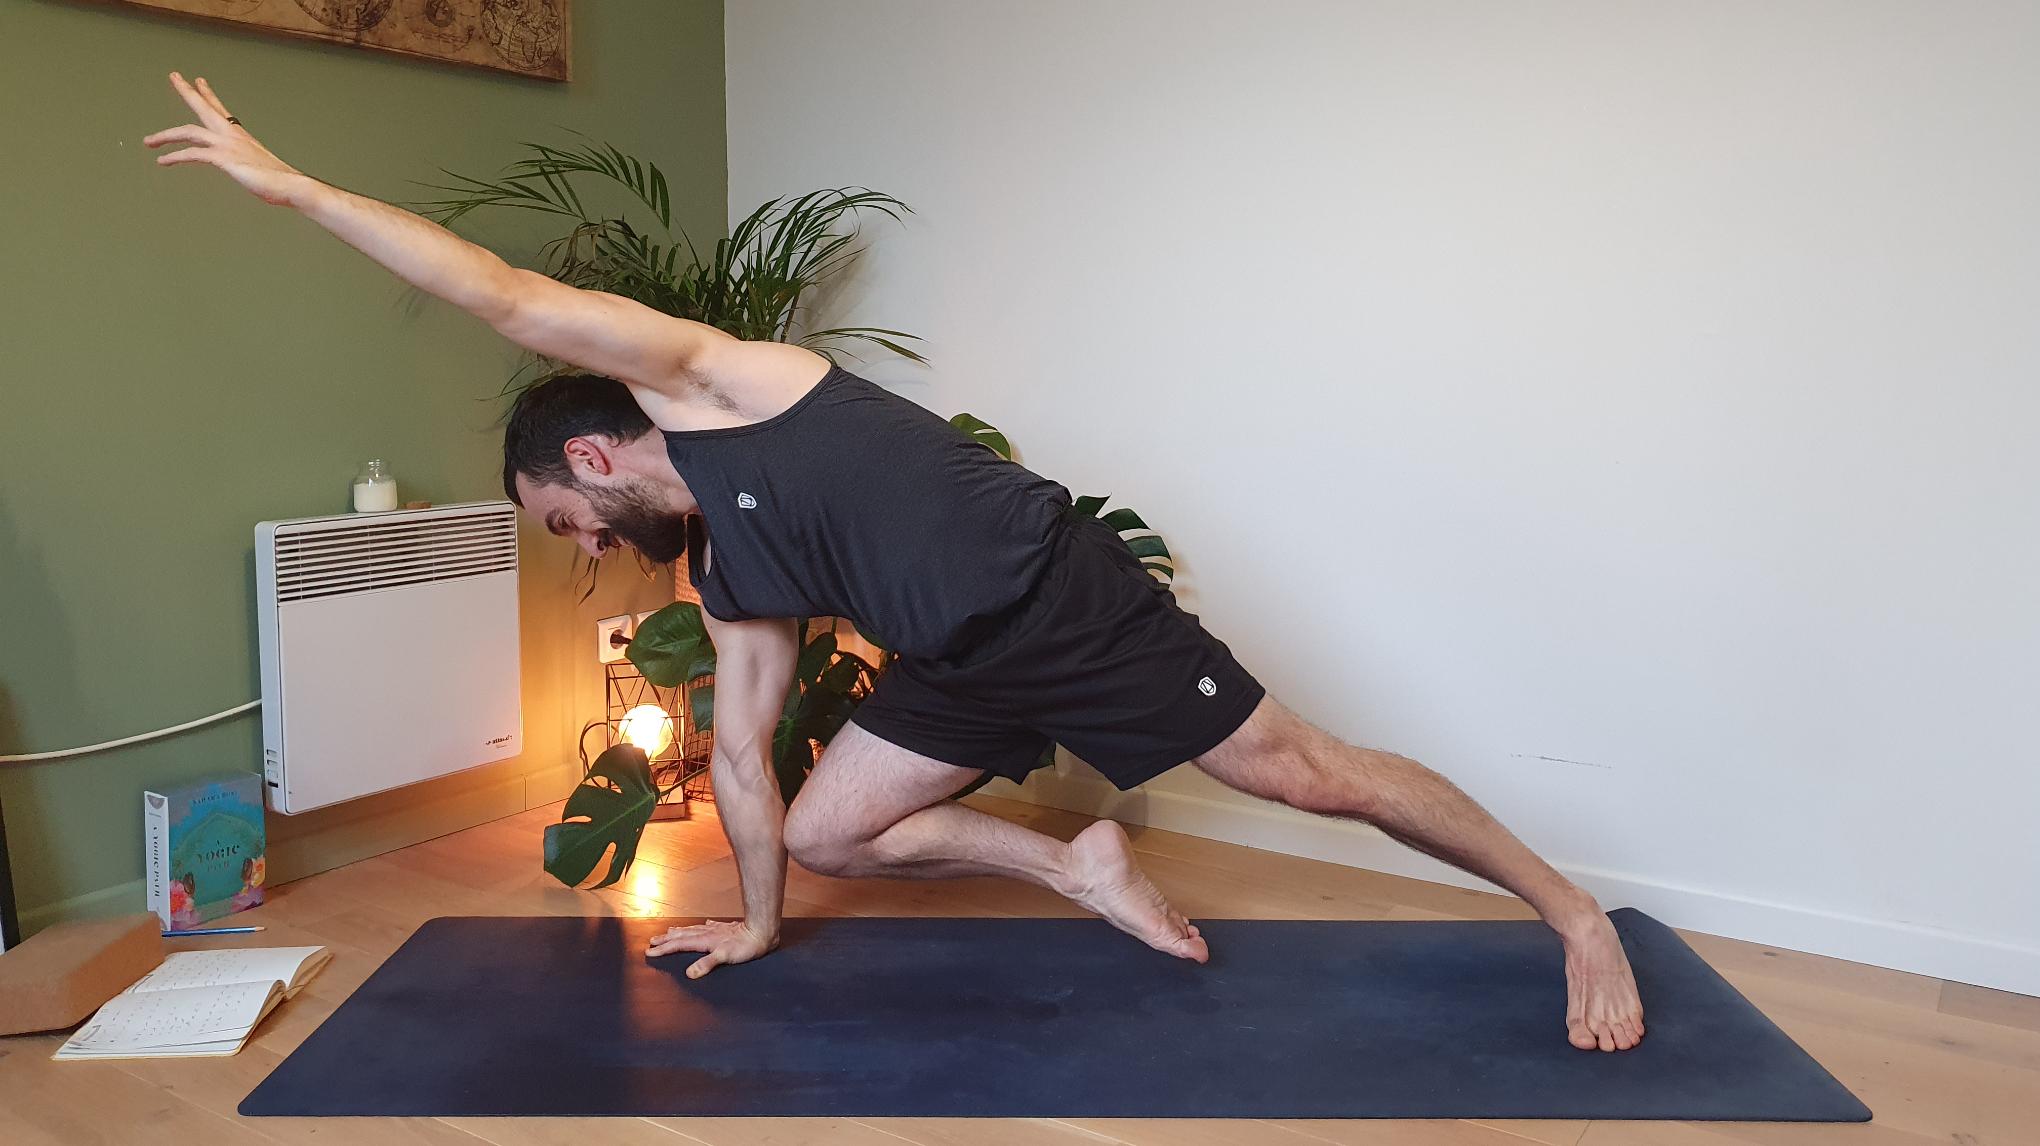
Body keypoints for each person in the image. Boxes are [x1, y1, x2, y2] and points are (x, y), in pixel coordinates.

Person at [148, 72, 1646, 1051]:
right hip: (955, 666)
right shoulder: (725, 577)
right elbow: (744, 757)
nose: (583, 550)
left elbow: (507, 295)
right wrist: (757, 920)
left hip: (1057, 597)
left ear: (591, 459)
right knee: (834, 828)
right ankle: (1078, 863)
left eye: (563, 521)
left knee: (1306, 772)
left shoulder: (713, 382)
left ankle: (1572, 912)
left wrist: (300, 193)